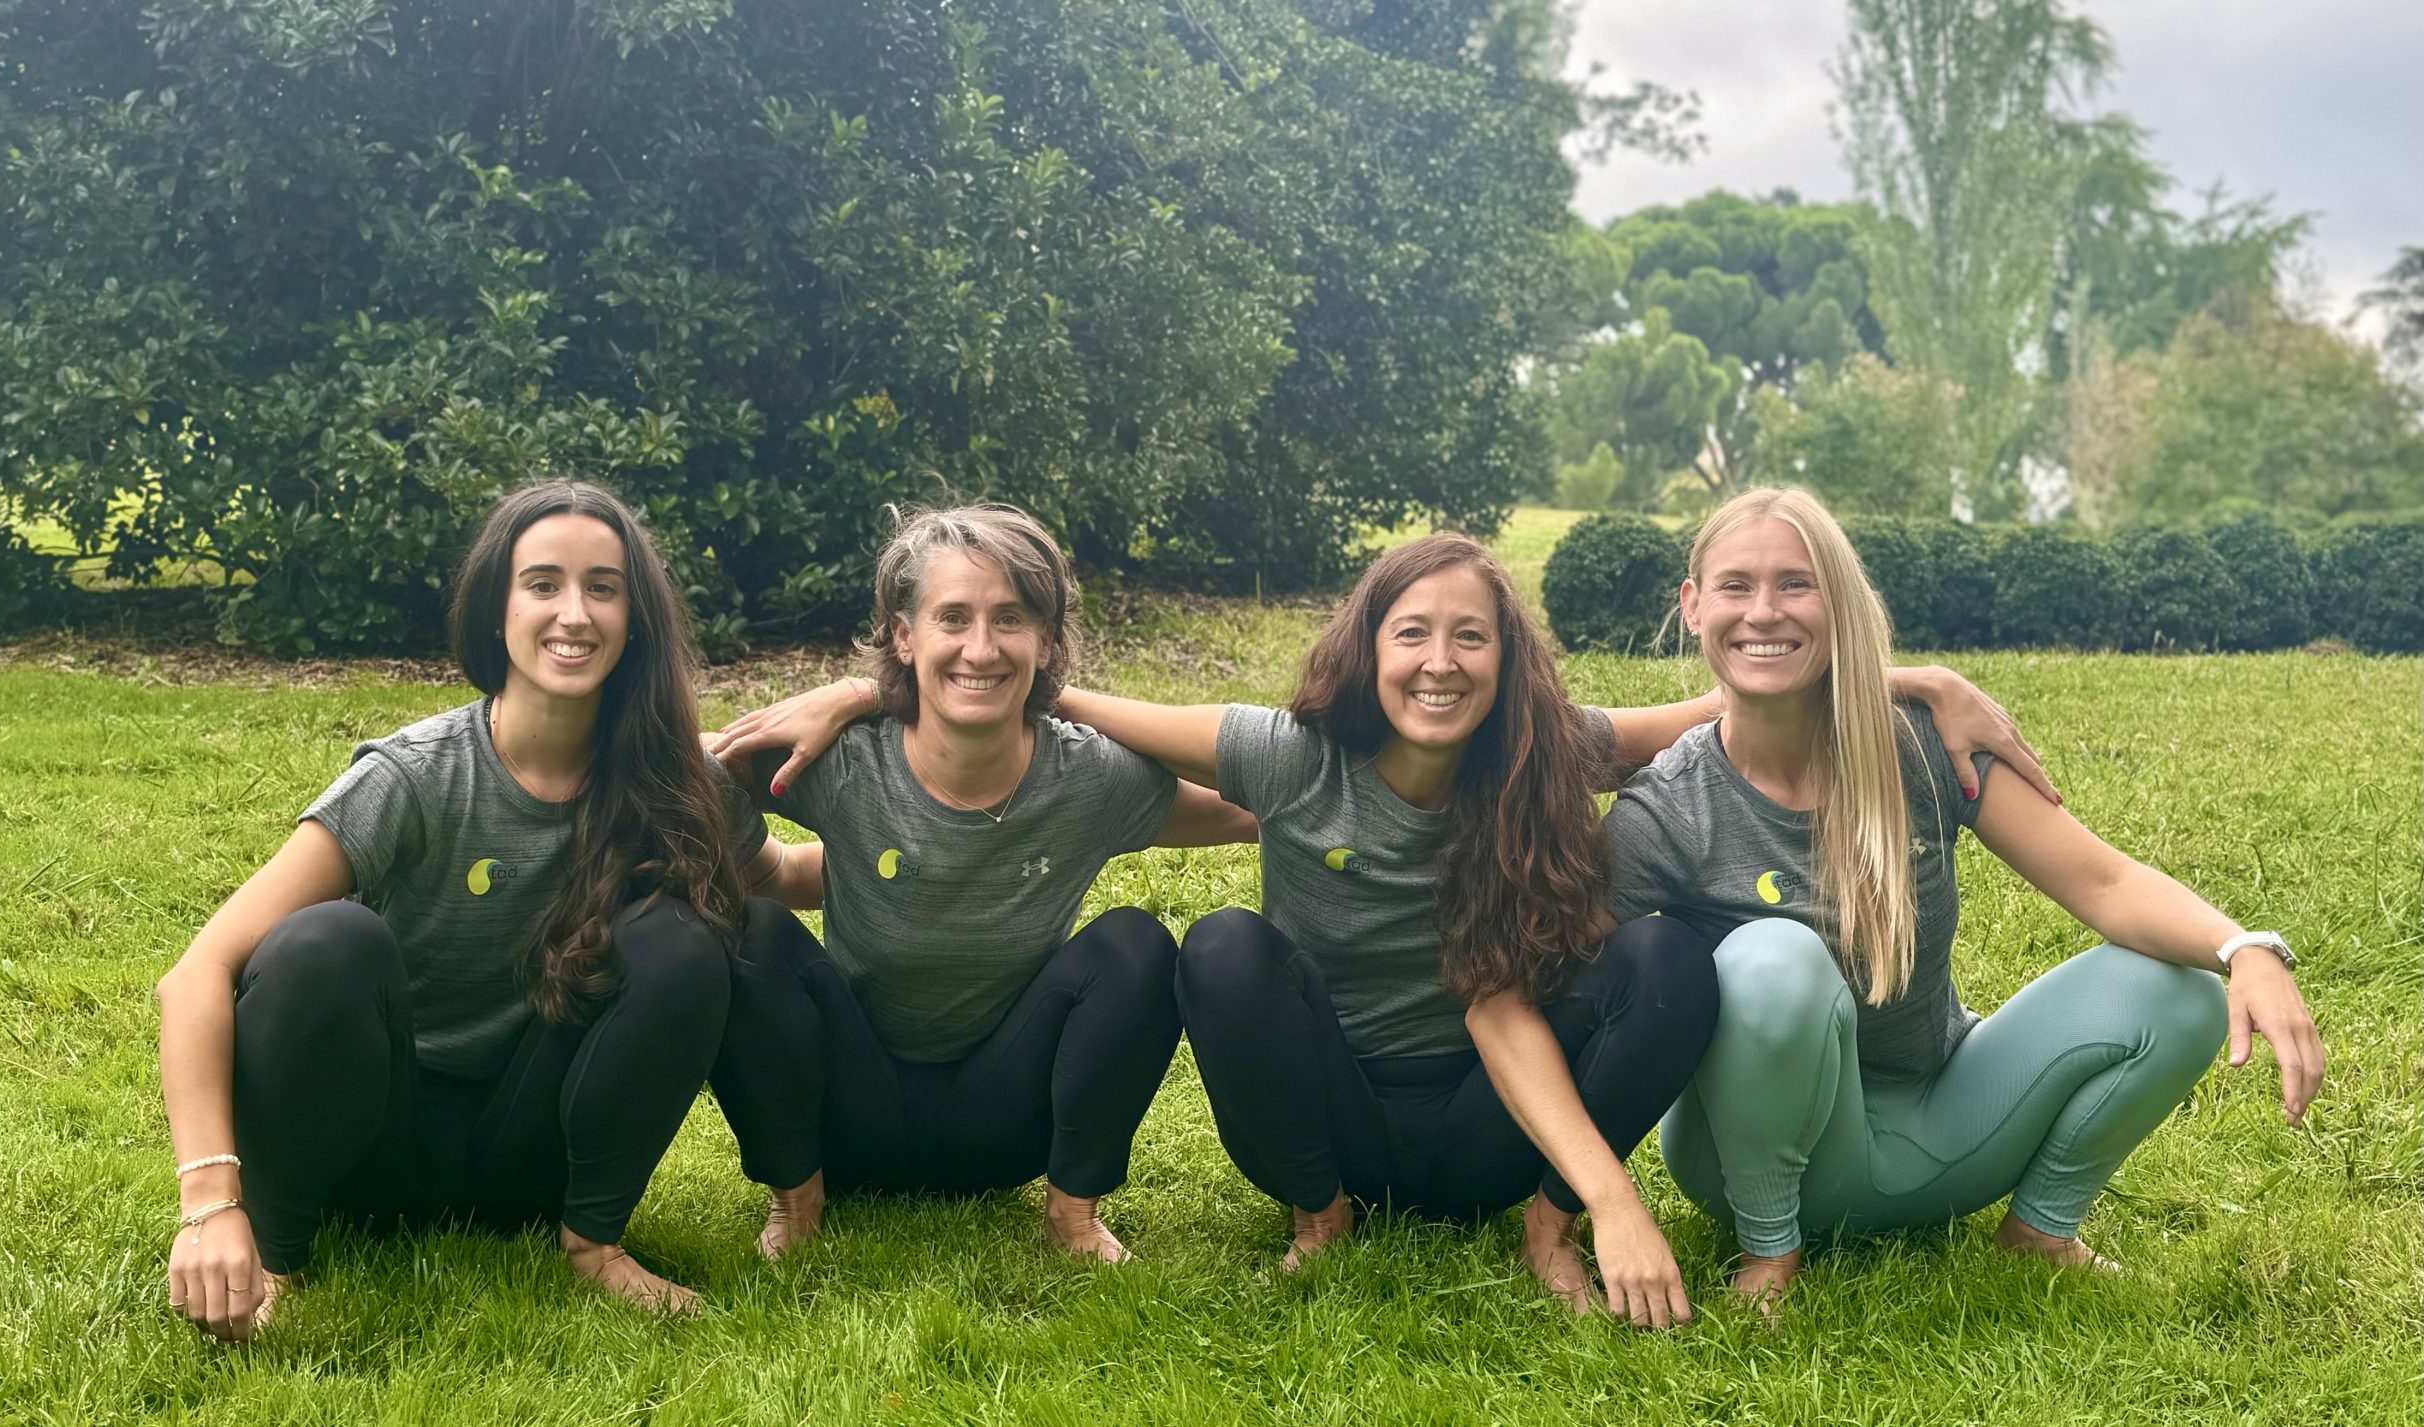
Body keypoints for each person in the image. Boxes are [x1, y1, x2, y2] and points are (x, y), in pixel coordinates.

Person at [726, 529, 2046, 1327]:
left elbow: (1722, 704)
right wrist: (869, 690)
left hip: (1489, 1119)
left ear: (1505, 659)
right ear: (1368, 645)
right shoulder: (1288, 754)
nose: (1439, 660)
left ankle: (1545, 1222)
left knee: (1661, 956)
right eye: (1412, 631)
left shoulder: (1539, 750)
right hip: (1332, 1115)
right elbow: (1064, 696)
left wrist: (1905, 678)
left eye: (1470, 636)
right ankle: (1322, 1217)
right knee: (1223, 945)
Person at [1607, 486, 2324, 1311]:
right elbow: (1569, 989)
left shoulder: (1923, 743)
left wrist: (2246, 947)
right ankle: (1770, 1251)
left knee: (2182, 987)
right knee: (1773, 959)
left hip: (1938, 1130)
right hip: (1741, 1164)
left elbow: (2106, 881)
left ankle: (2040, 1228)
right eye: (1737, 585)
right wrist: (1576, 1199)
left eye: (1797, 583)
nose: (1764, 610)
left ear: (1841, 604)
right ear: (1693, 605)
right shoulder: (1669, 804)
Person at [155, 481, 815, 1341]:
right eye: (542, 583)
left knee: (686, 937)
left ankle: (594, 1243)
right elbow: (197, 973)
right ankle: (275, 1258)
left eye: (603, 587)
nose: (574, 612)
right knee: (326, 939)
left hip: (532, 1157)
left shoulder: (671, 778)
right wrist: (211, 1201)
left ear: (635, 620)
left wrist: (871, 712)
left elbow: (784, 875)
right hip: (370, 1147)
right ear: (496, 611)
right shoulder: (414, 775)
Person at [703, 504, 1255, 1264]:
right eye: (953, 618)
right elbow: (687, 770)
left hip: (1005, 1125)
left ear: (1046, 640)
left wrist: (1409, 794)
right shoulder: (844, 762)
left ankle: (1073, 1214)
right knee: (750, 933)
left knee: (1135, 942)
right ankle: (795, 1200)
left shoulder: (1087, 777)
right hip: (841, 1119)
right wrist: (852, 700)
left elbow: (1261, 797)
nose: (982, 647)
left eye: (1011, 620)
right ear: (904, 635)